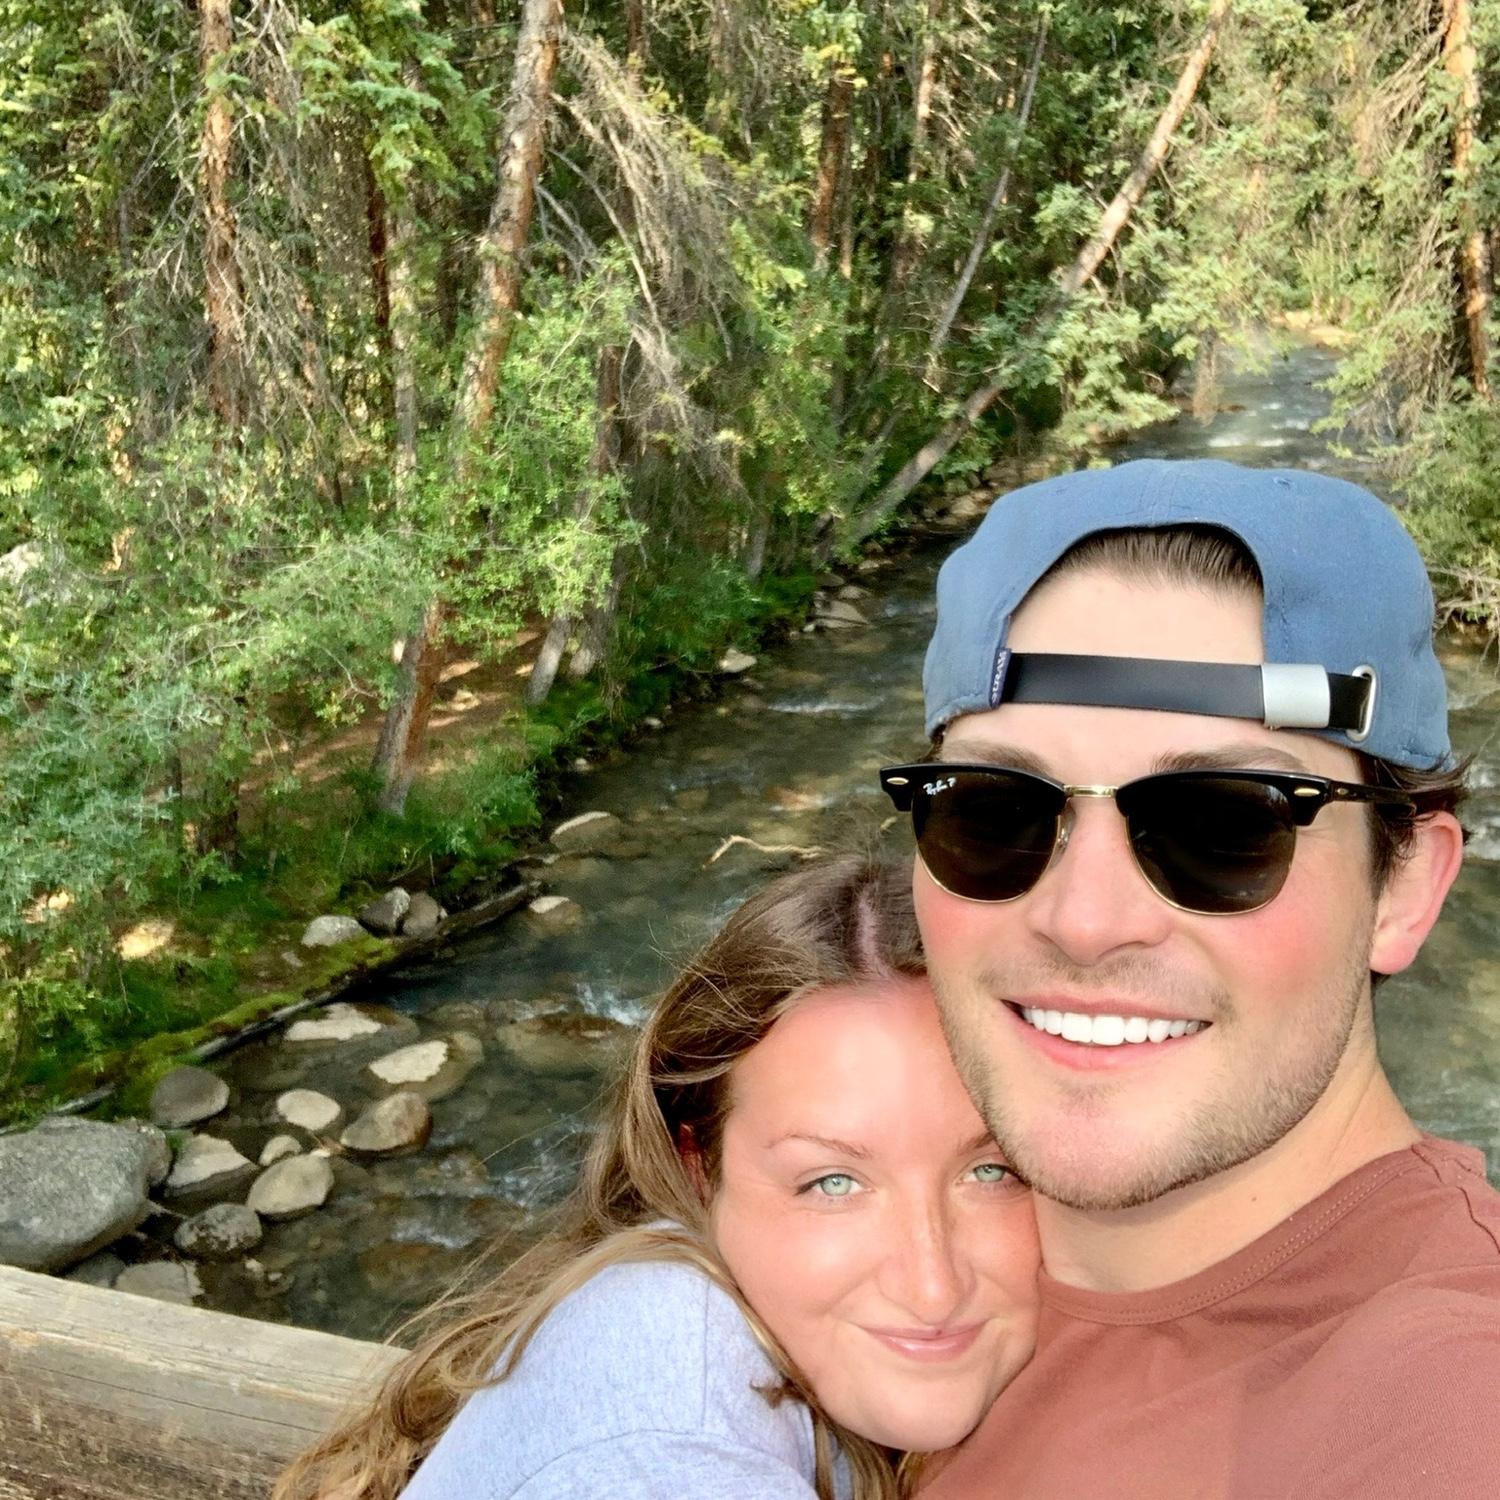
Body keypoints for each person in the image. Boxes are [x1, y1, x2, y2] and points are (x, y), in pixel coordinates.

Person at [877, 458, 1500, 1498]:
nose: (1085, 919)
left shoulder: (1445, 1405)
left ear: (1404, 890)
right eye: (995, 808)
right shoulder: (834, 1238)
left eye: (1224, 823)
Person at [273, 855, 1040, 1500]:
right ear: (696, 1168)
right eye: (831, 1183)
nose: (932, 1285)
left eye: (992, 1169)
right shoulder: (668, 1435)